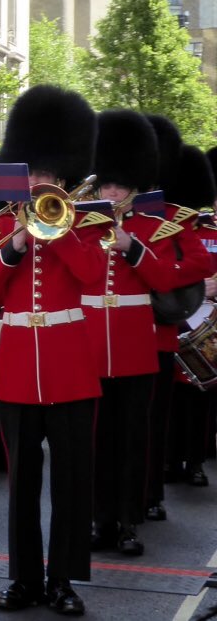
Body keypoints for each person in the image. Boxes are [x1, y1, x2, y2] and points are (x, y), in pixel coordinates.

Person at [0, 86, 107, 615]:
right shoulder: (2, 225)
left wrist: (59, 234)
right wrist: (17, 244)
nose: (38, 183)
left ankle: (64, 581)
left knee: (72, 482)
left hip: (71, 367)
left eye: (47, 177)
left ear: (64, 179)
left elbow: (94, 276)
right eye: (32, 174)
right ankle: (25, 579)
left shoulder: (88, 223)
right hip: (20, 370)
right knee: (22, 487)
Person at [85, 111, 183, 558]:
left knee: (131, 441)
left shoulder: (151, 228)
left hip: (135, 348)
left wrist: (133, 248)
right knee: (95, 441)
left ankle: (129, 522)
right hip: (89, 348)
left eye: (119, 186)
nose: (111, 192)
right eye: (107, 184)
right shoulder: (80, 225)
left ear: (135, 186)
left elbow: (165, 279)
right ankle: (99, 519)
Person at [143, 117, 211, 521]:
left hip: (158, 334)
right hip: (110, 339)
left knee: (154, 423)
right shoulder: (99, 218)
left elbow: (199, 261)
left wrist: (165, 277)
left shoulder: (174, 217)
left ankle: (151, 494)